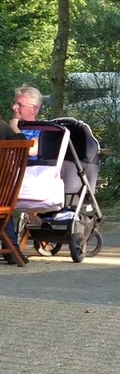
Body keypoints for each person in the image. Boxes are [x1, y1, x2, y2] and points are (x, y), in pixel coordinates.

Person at [4, 86, 43, 263]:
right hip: (6, 183)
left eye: (19, 104)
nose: (14, 108)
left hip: (27, 180)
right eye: (14, 103)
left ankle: (11, 249)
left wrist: (16, 132)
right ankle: (12, 249)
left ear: (34, 108)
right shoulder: (6, 128)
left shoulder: (43, 130)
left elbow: (32, 150)